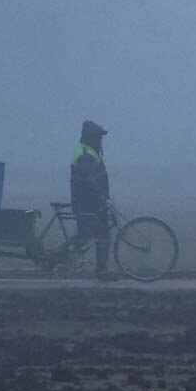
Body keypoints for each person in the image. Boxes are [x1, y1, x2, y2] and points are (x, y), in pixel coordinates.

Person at [70, 119, 115, 279]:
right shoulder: (86, 154)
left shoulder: (89, 152)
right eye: (98, 137)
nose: (101, 140)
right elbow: (89, 178)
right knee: (94, 233)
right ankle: (101, 271)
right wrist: (102, 196)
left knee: (91, 233)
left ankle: (100, 270)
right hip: (87, 202)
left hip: (92, 202)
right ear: (91, 138)